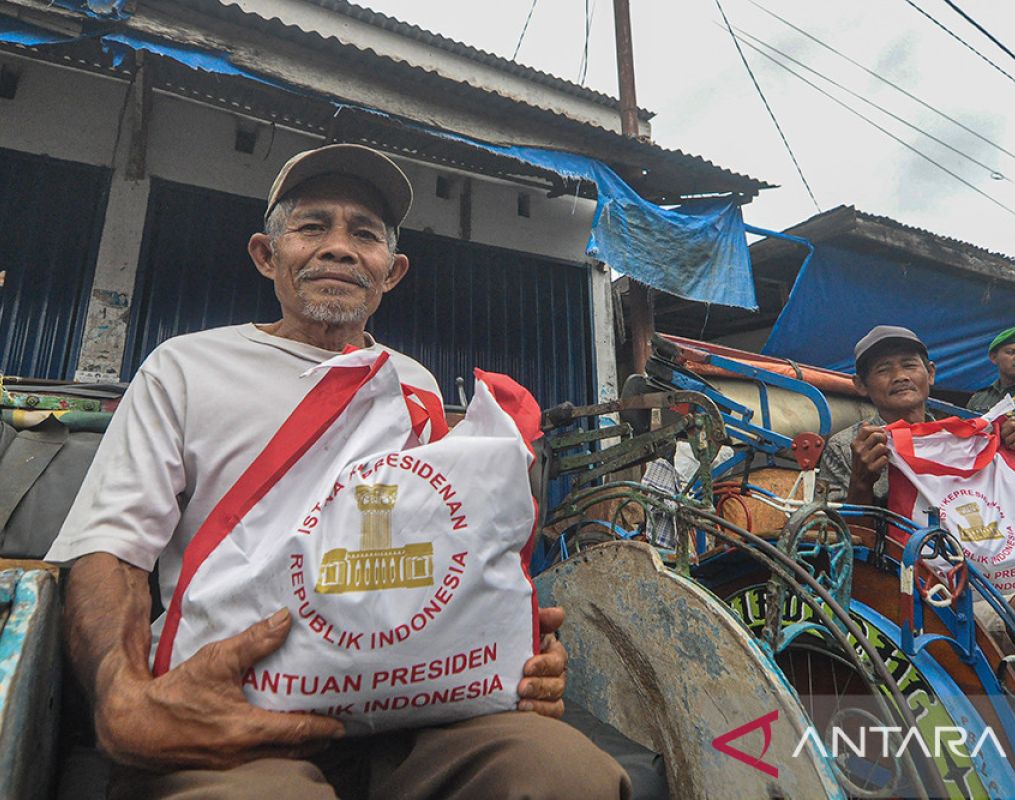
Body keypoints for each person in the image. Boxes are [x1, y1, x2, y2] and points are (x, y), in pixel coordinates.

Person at [45, 145, 631, 799]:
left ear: (392, 270)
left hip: (404, 710)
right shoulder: (184, 368)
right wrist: (123, 700)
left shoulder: (412, 384)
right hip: (233, 710)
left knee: (561, 774)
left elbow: (443, 557)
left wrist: (511, 653)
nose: (340, 248)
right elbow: (110, 549)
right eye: (312, 225)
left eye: (364, 234)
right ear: (268, 255)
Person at [819, 325, 1015, 774]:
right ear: (862, 385)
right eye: (883, 369)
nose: (899, 376)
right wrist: (861, 483)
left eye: (909, 365)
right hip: (943, 595)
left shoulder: (982, 430)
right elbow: (844, 544)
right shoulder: (851, 446)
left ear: (931, 373)